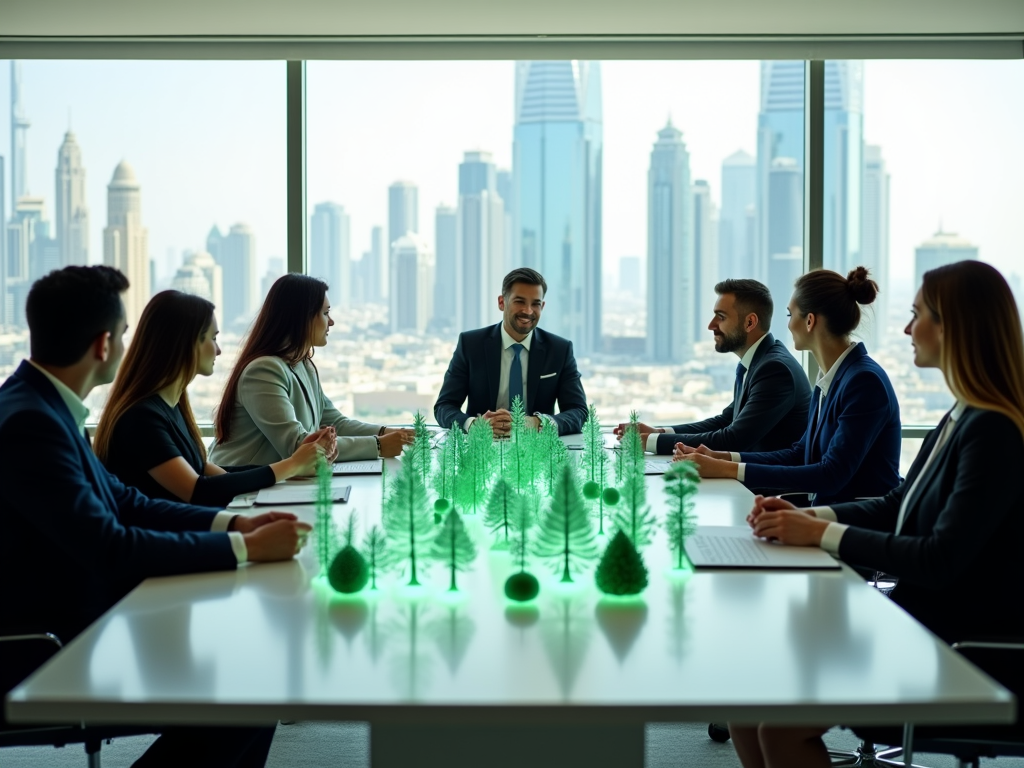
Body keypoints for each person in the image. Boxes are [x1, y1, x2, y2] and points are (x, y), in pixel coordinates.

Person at [0, 266, 309, 767]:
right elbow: (110, 545)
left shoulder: (42, 407)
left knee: (256, 677)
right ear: (104, 345)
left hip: (91, 613)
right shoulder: (31, 422)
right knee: (254, 684)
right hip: (53, 642)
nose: (126, 345)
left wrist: (234, 525)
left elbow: (128, 502)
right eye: (123, 335)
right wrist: (244, 549)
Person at [729, 260, 1024, 768]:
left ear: (955, 325)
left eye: (917, 315)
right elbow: (897, 503)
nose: (907, 329)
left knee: (776, 725)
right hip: (917, 624)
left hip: (956, 650)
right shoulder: (962, 414)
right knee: (741, 697)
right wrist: (812, 518)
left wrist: (820, 532)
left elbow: (938, 559)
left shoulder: (993, 431)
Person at [674, 267, 900, 506]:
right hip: (824, 513)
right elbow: (799, 454)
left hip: (854, 524)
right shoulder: (832, 377)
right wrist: (722, 458)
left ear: (810, 321)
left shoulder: (864, 381)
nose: (789, 325)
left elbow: (832, 474)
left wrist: (729, 470)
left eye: (790, 315)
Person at [94, 291, 325, 508]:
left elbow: (209, 473)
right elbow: (197, 490)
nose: (219, 350)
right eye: (213, 338)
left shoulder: (172, 406)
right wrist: (292, 465)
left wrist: (294, 468)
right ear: (187, 343)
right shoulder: (141, 418)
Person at [210, 274, 414, 466]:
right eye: (325, 313)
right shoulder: (263, 371)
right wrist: (378, 445)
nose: (331, 322)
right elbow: (297, 446)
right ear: (302, 318)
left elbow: (335, 423)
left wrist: (386, 432)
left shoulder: (303, 364)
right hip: (241, 486)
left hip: (279, 483)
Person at [614, 279, 810, 455]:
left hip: (767, 492)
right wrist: (660, 432)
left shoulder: (775, 370)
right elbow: (726, 421)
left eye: (721, 317)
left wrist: (650, 442)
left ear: (750, 322)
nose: (711, 325)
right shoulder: (758, 362)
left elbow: (733, 439)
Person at [434, 267, 588, 436]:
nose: (528, 311)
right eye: (519, 301)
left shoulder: (560, 349)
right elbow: (444, 406)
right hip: (481, 450)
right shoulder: (471, 344)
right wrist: (475, 425)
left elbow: (578, 411)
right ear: (502, 302)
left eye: (535, 304)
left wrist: (537, 422)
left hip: (537, 450)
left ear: (542, 306)